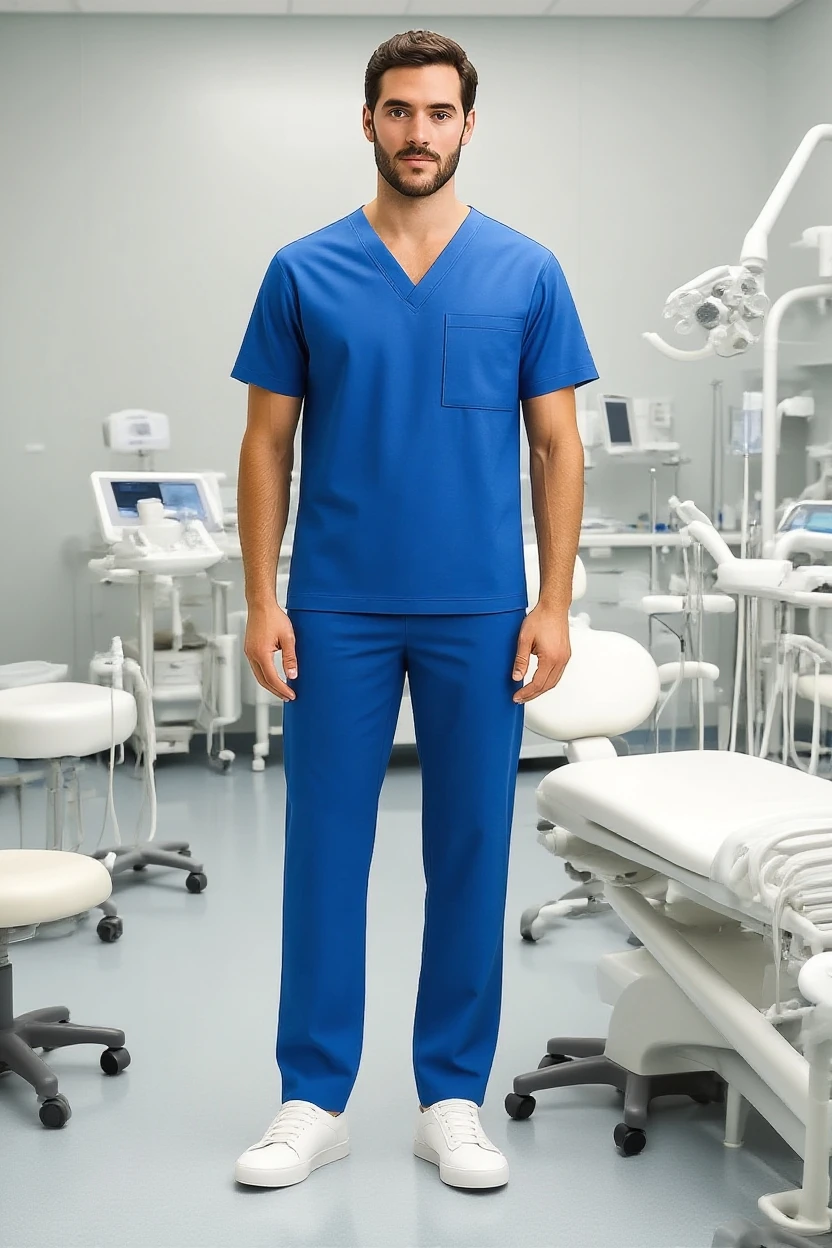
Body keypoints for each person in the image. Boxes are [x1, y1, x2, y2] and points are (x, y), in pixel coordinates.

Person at [230, 28, 598, 1192]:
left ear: (467, 125)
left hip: (480, 611)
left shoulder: (526, 271)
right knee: (323, 849)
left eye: (440, 113)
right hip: (334, 605)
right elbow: (265, 443)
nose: (418, 132)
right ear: (369, 121)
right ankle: (312, 1096)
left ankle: (451, 1095)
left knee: (472, 850)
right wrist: (260, 599)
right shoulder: (305, 269)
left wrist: (552, 602)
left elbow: (556, 445)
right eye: (399, 111)